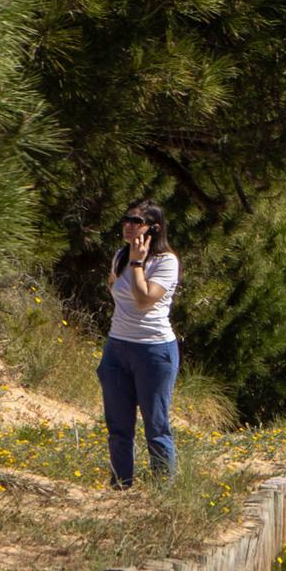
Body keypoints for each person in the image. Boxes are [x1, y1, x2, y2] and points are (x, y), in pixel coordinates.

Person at [96, 199, 181, 489]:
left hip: (154, 350)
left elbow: (144, 300)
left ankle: (162, 490)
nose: (128, 225)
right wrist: (129, 260)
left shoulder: (166, 261)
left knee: (156, 426)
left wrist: (136, 263)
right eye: (126, 219)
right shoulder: (120, 255)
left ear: (153, 228)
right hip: (117, 347)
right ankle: (120, 486)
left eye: (136, 221)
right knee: (118, 427)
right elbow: (114, 289)